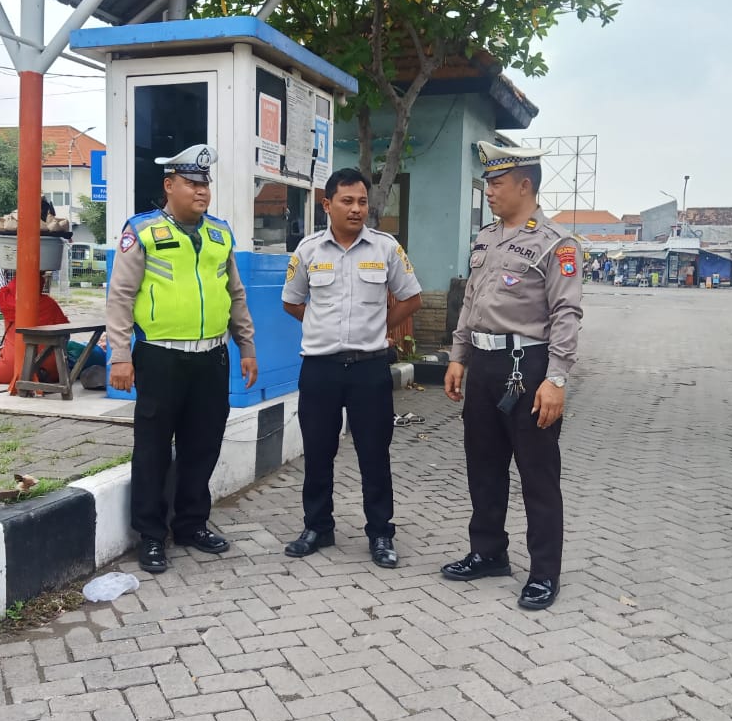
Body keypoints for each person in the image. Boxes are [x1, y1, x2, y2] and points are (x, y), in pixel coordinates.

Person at [442, 142, 583, 611]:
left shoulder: (557, 244)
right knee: (483, 466)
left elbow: (566, 314)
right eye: (487, 183)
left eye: (496, 183)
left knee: (537, 474)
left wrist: (557, 379)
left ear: (525, 186)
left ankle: (544, 573)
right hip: (483, 366)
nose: (489, 191)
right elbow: (470, 302)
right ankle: (488, 552)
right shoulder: (485, 238)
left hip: (529, 368)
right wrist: (458, 356)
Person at [106, 143, 257, 575]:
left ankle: (191, 524)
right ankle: (151, 536)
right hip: (160, 358)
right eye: (191, 183)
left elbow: (235, 295)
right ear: (169, 185)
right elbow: (120, 298)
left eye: (205, 184)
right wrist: (120, 355)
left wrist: (246, 347)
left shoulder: (220, 234)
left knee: (202, 446)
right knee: (153, 449)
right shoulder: (142, 231)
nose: (201, 191)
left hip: (211, 358)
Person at [280, 168, 422, 569]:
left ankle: (380, 533)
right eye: (347, 201)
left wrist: (380, 328)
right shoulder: (308, 250)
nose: (356, 209)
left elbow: (411, 298)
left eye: (362, 201)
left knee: (374, 454)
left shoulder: (385, 248)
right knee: (317, 453)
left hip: (369, 369)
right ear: (327, 205)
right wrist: (320, 326)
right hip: (320, 369)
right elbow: (291, 301)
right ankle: (317, 527)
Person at [0, 277, 67, 387]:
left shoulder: (5, 300)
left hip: (12, 366)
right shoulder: (50, 304)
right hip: (51, 368)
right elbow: (65, 333)